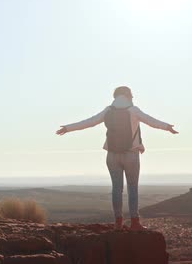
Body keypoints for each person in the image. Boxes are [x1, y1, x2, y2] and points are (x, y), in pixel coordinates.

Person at [56, 86, 178, 231]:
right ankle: (134, 223)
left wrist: (68, 128)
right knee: (132, 188)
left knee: (116, 189)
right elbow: (151, 121)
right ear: (127, 95)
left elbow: (89, 122)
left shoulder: (108, 110)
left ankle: (118, 222)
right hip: (131, 154)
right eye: (131, 94)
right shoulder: (133, 110)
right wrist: (167, 127)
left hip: (112, 155)